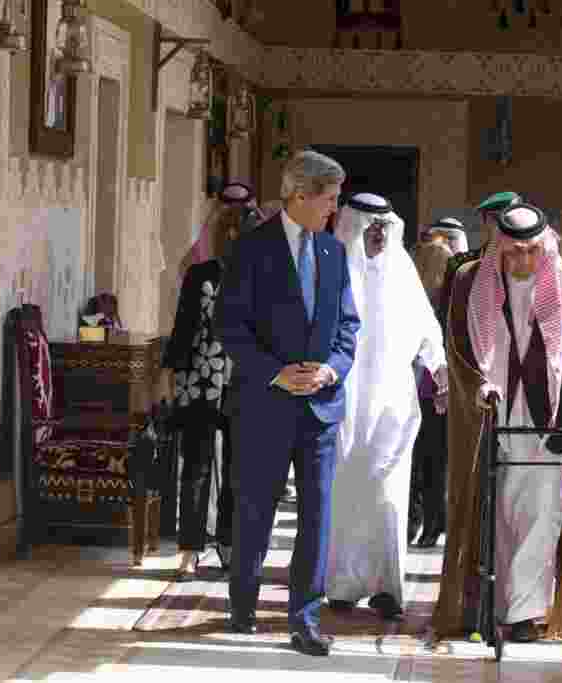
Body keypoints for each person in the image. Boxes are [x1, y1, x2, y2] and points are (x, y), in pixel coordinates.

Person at [431, 203, 562, 644]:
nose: (522, 262)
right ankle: (493, 604)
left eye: (532, 252)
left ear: (546, 248)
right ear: (500, 248)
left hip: (549, 424)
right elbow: (457, 345)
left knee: (543, 514)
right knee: (495, 513)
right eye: (514, 252)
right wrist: (479, 386)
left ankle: (526, 613)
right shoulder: (470, 283)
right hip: (491, 421)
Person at [214, 150, 360, 657]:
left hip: (320, 408)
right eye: (330, 200)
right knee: (255, 508)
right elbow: (229, 327)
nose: (334, 211)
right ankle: (242, 606)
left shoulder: (333, 253)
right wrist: (276, 373)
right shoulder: (250, 250)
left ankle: (305, 619)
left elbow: (348, 327)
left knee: (317, 515)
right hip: (264, 404)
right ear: (300, 195)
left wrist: (329, 370)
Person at [326, 193, 448, 620]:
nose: (377, 233)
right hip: (343, 402)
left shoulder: (402, 271)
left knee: (388, 496)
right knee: (344, 495)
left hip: (392, 404)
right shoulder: (332, 269)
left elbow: (427, 330)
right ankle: (341, 585)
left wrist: (441, 370)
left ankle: (387, 588)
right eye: (369, 225)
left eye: (383, 225)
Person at [164, 204, 244, 576]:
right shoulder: (199, 275)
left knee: (234, 467)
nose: (232, 239)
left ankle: (227, 541)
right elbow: (183, 330)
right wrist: (169, 380)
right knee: (197, 465)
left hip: (242, 386)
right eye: (228, 231)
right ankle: (191, 547)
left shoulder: (257, 279)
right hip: (201, 383)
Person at [407, 221, 468, 547]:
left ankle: (416, 522)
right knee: (436, 461)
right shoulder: (451, 299)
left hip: (419, 387)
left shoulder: (415, 294)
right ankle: (433, 523)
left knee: (417, 459)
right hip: (438, 389)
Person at [438, 192, 523, 328]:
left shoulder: (533, 265)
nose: (503, 225)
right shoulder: (460, 265)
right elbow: (446, 318)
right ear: (484, 220)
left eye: (509, 219)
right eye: (495, 218)